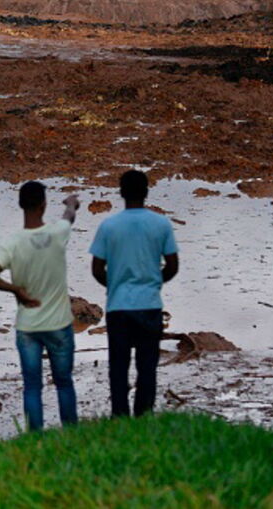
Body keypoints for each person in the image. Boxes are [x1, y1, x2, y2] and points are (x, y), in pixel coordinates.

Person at [0, 181, 80, 430]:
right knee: (64, 383)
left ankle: (35, 438)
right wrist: (71, 203)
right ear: (43, 205)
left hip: (27, 327)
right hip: (59, 324)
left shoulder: (12, 243)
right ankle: (72, 434)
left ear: (20, 205)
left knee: (32, 386)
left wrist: (16, 290)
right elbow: (69, 216)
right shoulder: (58, 232)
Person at [89, 170, 179, 417]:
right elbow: (172, 266)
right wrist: (154, 283)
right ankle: (144, 416)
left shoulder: (109, 226)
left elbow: (97, 269)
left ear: (121, 193)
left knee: (118, 366)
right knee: (147, 366)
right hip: (149, 305)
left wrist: (114, 285)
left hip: (118, 307)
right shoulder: (161, 224)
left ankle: (120, 416)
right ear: (147, 192)